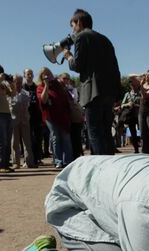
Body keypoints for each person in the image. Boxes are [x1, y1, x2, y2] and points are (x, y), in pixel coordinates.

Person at [63, 8, 121, 155]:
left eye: (72, 25)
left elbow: (77, 65)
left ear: (79, 23)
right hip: (108, 93)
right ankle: (109, 166)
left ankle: (100, 167)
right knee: (106, 132)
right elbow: (115, 68)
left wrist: (68, 56)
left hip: (92, 93)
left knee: (94, 132)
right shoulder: (105, 40)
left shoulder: (81, 37)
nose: (73, 30)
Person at [37, 67, 73, 169]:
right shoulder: (40, 87)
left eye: (48, 73)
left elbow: (67, 98)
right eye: (44, 74)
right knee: (55, 137)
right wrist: (46, 86)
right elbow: (43, 100)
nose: (47, 76)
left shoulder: (58, 85)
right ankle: (58, 161)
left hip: (63, 115)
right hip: (50, 117)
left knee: (65, 137)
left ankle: (68, 161)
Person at [9, 75, 35, 169]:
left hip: (24, 119)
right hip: (13, 120)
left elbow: (28, 106)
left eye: (20, 81)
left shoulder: (26, 93)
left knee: (27, 142)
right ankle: (16, 163)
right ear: (13, 82)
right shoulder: (9, 94)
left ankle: (29, 162)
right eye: (17, 81)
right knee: (15, 142)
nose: (19, 84)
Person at [24, 68, 46, 165]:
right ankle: (28, 159)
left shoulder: (36, 87)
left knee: (38, 137)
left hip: (37, 115)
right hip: (26, 116)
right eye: (28, 74)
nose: (30, 75)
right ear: (24, 75)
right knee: (28, 138)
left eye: (31, 73)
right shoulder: (22, 87)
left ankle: (38, 158)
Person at [118, 75, 141, 153]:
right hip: (130, 117)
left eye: (134, 84)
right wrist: (128, 104)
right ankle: (136, 149)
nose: (133, 86)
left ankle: (146, 147)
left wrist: (136, 105)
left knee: (143, 132)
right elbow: (122, 105)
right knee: (133, 133)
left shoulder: (141, 93)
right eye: (131, 85)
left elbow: (144, 105)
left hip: (139, 116)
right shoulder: (127, 94)